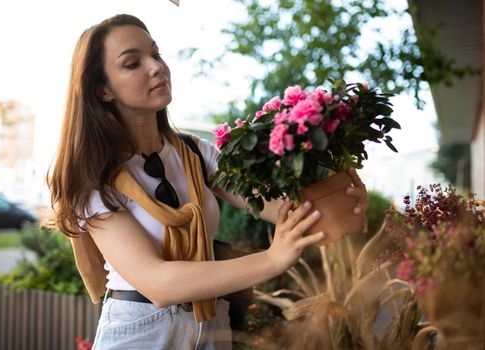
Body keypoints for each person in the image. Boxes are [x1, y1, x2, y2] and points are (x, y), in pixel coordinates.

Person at [47, 14, 368, 350]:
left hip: (213, 324)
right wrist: (271, 260)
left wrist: (338, 195)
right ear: (102, 90)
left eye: (156, 54)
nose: (156, 67)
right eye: (132, 63)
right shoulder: (91, 178)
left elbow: (279, 208)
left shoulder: (194, 152)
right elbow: (157, 282)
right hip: (141, 331)